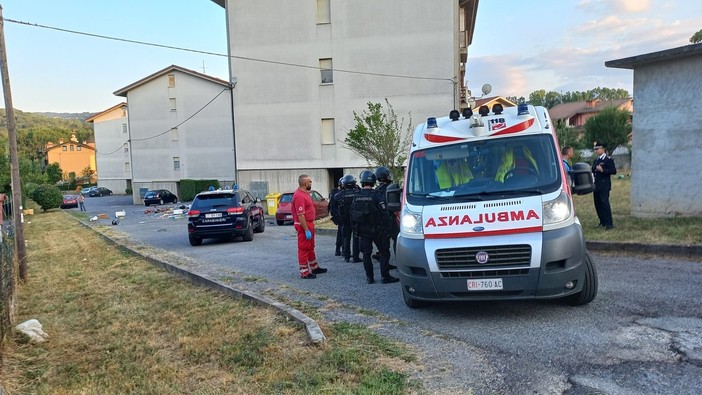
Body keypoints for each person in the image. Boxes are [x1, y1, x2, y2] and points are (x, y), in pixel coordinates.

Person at [351, 170, 399, 284]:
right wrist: (387, 229)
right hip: (378, 230)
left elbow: (352, 215)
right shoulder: (377, 195)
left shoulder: (356, 196)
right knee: (384, 252)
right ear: (373, 181)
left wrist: (356, 230)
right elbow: (384, 213)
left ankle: (370, 278)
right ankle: (385, 277)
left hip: (363, 231)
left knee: (366, 255)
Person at [292, 174, 327, 279]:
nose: (311, 183)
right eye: (310, 182)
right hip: (304, 224)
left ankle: (314, 267)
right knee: (304, 248)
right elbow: (300, 215)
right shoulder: (299, 196)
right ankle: (304, 272)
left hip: (308, 223)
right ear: (305, 183)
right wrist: (306, 229)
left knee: (310, 246)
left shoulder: (305, 193)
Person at [374, 166, 399, 261]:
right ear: (384, 176)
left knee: (384, 244)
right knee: (396, 238)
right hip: (390, 218)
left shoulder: (377, 190)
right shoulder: (390, 188)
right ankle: (399, 261)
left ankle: (383, 261)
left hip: (380, 221)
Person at [335, 174, 362, 263]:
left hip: (344, 219)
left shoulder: (340, 195)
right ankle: (355, 257)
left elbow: (335, 199)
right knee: (356, 237)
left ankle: (346, 256)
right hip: (355, 219)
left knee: (346, 238)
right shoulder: (357, 193)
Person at [592, 142, 617, 230]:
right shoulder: (596, 160)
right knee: (597, 204)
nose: (596, 151)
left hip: (604, 185)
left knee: (604, 203)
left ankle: (609, 223)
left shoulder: (608, 160)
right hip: (596, 185)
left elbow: (613, 171)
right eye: (595, 149)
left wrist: (603, 170)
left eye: (597, 149)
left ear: (603, 149)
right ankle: (602, 221)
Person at [329, 177, 343, 256]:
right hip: (338, 215)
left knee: (341, 233)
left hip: (338, 215)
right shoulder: (336, 193)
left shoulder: (334, 193)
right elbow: (333, 206)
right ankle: (338, 250)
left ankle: (341, 250)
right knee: (341, 233)